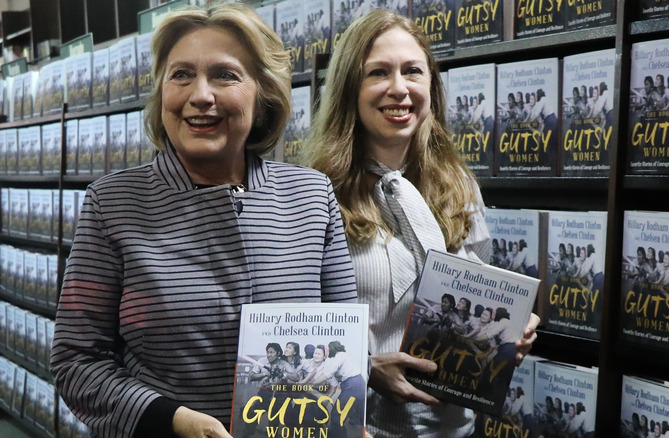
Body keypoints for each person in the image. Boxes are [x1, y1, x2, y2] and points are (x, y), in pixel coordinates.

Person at [49, 4, 357, 438]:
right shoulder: (112, 203)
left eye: (225, 75)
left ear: (263, 92)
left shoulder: (311, 195)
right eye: (181, 75)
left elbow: (346, 340)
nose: (200, 95)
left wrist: (349, 413)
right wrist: (170, 419)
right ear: (161, 92)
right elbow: (77, 362)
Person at [303, 9, 539, 437]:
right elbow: (295, 335)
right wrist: (366, 367)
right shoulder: (314, 193)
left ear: (430, 85)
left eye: (413, 71)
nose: (399, 89)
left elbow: (476, 287)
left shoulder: (459, 185)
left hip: (455, 429)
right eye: (378, 73)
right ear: (349, 90)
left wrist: (506, 334)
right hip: (362, 429)